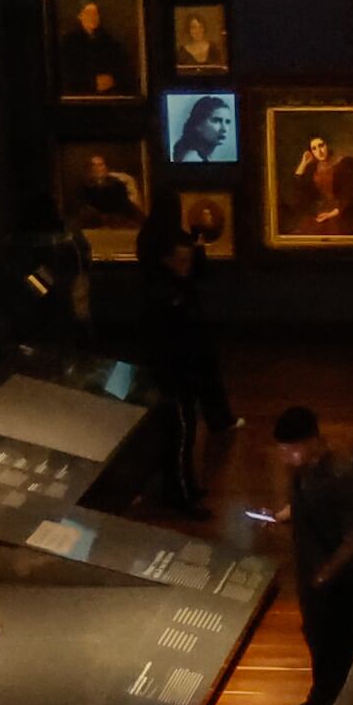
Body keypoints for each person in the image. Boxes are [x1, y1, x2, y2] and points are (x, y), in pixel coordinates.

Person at [272, 405, 353, 705]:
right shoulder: (304, 471)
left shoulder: (340, 476)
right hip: (313, 578)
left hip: (338, 584)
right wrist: (286, 514)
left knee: (335, 650)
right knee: (318, 642)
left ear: (312, 440)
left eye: (293, 448)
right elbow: (306, 503)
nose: (288, 456)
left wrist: (326, 573)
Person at [136, 197, 228, 517]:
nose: (187, 266)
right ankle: (181, 494)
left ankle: (183, 486)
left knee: (183, 433)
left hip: (179, 372)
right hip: (175, 375)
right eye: (183, 261)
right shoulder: (167, 296)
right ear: (169, 260)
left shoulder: (169, 288)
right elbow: (174, 337)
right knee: (181, 434)